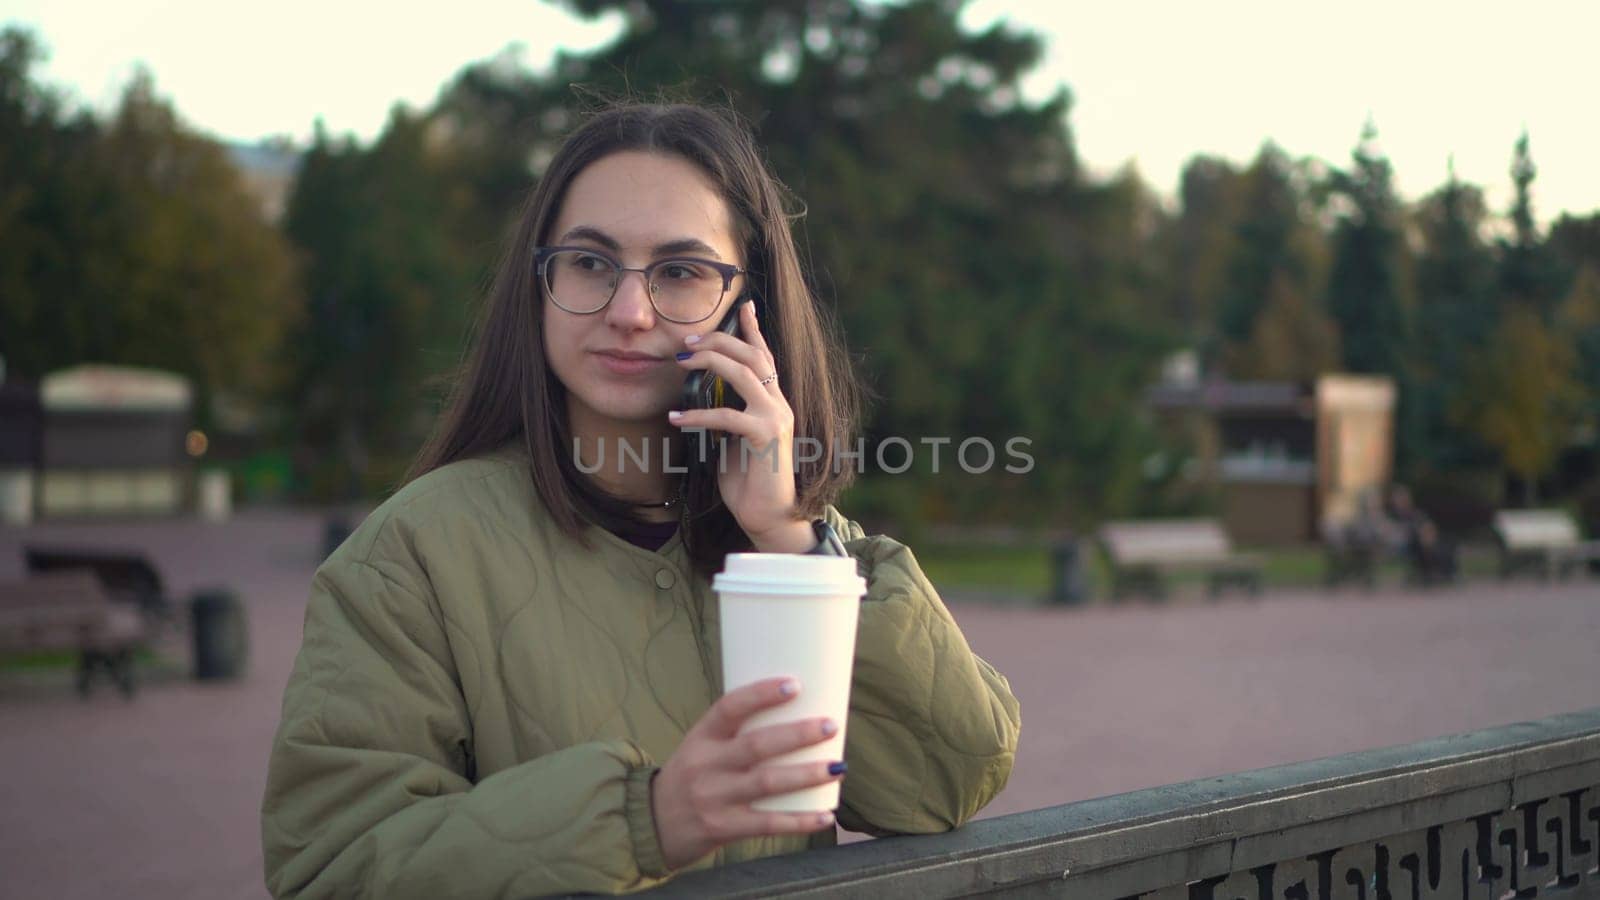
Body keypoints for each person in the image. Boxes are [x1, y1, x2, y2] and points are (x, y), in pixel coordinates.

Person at [260, 102, 1021, 899]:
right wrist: (644, 819)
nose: (629, 313)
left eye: (680, 271)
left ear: (746, 304)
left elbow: (948, 781)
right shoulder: (411, 556)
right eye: (590, 263)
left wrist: (791, 538)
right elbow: (333, 867)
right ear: (540, 281)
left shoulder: (796, 540)